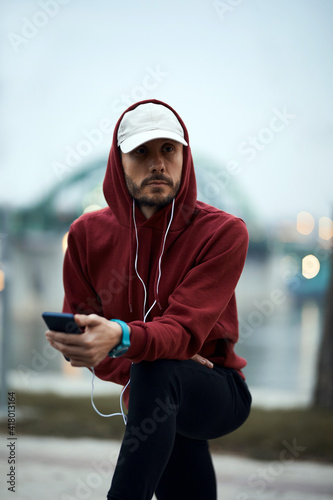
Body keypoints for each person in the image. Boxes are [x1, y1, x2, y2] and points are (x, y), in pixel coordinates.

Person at [45, 99, 252, 500]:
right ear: (117, 161)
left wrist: (126, 340)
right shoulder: (86, 235)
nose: (157, 163)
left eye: (168, 150)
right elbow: (87, 338)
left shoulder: (223, 233)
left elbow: (181, 330)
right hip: (152, 392)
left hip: (217, 390)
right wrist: (89, 347)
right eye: (141, 151)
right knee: (160, 385)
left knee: (158, 374)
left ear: (185, 158)